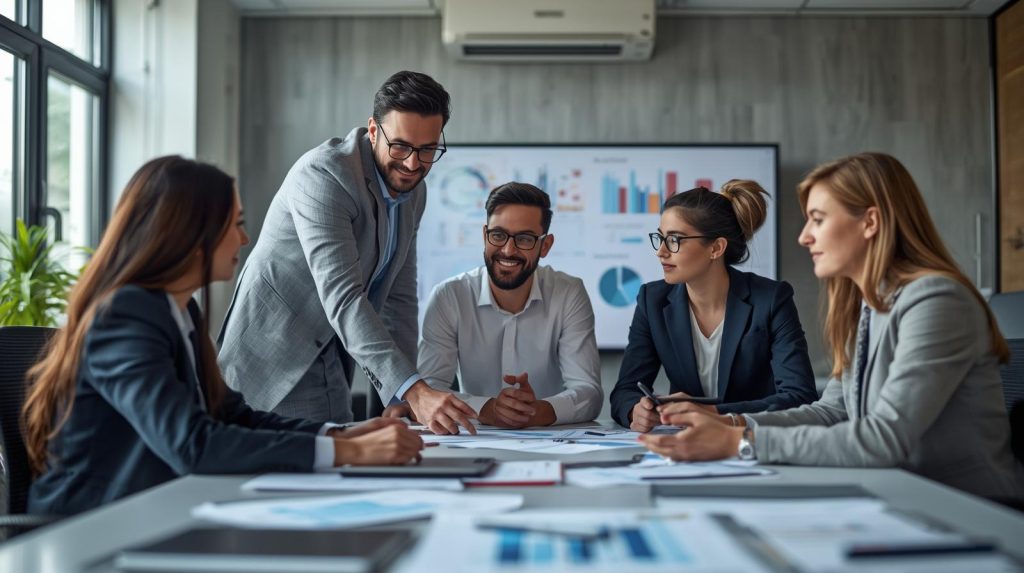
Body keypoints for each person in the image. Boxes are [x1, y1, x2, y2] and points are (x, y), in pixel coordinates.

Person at [23, 156, 424, 516]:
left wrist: (337, 434)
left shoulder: (181, 309)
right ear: (192, 235)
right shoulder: (124, 316)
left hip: (155, 510)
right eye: (235, 224)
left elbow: (231, 415)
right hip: (92, 526)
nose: (244, 239)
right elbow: (192, 444)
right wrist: (345, 452)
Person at [642, 153, 1024, 499]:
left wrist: (738, 442)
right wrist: (729, 421)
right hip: (898, 493)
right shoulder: (868, 304)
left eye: (818, 219)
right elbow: (831, 412)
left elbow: (884, 439)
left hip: (965, 506)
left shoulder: (936, 301)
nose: (804, 236)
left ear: (870, 222)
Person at [217, 71, 477, 434]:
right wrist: (415, 391)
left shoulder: (414, 191)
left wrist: (399, 398)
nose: (412, 164)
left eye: (427, 150)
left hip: (333, 356)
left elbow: (399, 297)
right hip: (271, 356)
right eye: (400, 146)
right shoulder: (325, 174)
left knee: (343, 458)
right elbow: (344, 297)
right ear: (373, 131)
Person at [386, 183, 602, 427]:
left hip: (551, 439)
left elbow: (589, 392)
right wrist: (487, 409)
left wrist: (537, 411)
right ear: (484, 235)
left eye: (524, 239)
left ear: (545, 246)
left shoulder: (569, 293)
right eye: (498, 235)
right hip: (473, 437)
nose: (508, 250)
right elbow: (429, 391)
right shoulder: (450, 296)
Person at [609, 181, 818, 432]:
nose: (661, 252)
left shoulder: (771, 299)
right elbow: (625, 391)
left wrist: (712, 413)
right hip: (684, 442)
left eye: (674, 240)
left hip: (753, 440)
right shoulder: (651, 300)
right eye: (660, 238)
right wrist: (635, 410)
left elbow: (799, 396)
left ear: (716, 248)